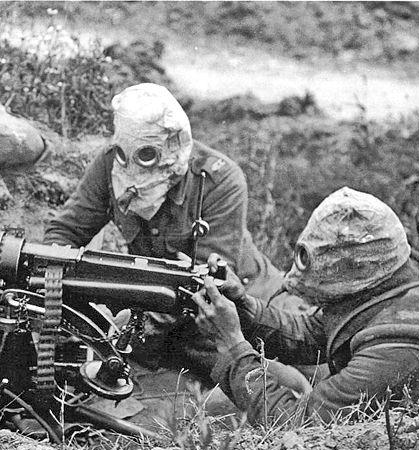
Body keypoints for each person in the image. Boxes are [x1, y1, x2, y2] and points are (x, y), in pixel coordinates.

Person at [193, 187, 419, 423]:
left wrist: (233, 347)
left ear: (354, 273)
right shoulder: (401, 272)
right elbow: (317, 331)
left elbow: (297, 426)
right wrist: (245, 308)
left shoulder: (405, 339)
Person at [43, 82, 293, 380]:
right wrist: (63, 297)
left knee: (289, 379)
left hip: (239, 306)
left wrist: (134, 322)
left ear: (175, 144)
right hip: (164, 311)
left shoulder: (218, 181)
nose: (134, 166)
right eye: (127, 152)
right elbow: (64, 233)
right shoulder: (111, 165)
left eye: (147, 154)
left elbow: (210, 284)